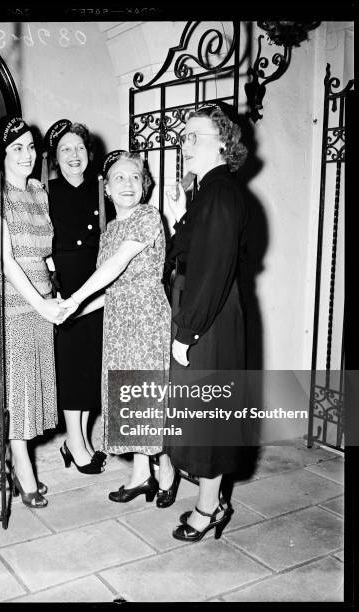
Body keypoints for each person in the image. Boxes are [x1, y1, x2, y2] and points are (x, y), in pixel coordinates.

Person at [61, 151, 178, 507]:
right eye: (119, 178)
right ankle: (142, 474)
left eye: (135, 177)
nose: (128, 184)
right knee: (130, 394)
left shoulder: (147, 216)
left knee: (149, 392)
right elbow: (111, 288)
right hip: (117, 319)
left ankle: (167, 470)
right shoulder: (110, 228)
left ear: (145, 186)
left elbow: (117, 265)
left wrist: (76, 297)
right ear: (107, 189)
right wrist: (75, 311)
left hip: (145, 317)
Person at [164, 103, 248, 541]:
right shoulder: (209, 191)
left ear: (223, 142)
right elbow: (189, 250)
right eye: (184, 138)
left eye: (194, 136)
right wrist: (181, 211)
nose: (185, 145)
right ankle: (212, 498)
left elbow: (212, 269)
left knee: (207, 414)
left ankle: (209, 507)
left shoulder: (219, 192)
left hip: (207, 316)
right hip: (204, 307)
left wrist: (188, 331)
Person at [0, 116, 65, 508]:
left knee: (31, 385)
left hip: (40, 297)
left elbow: (44, 254)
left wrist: (56, 290)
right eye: (17, 148)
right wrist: (41, 302)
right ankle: (23, 469)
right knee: (15, 386)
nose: (27, 155)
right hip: (7, 301)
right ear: (0, 152)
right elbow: (6, 259)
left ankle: (19, 458)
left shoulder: (38, 192)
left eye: (31, 147)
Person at [43, 119, 107, 474]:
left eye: (80, 148)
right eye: (66, 149)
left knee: (89, 366)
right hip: (64, 287)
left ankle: (77, 439)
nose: (74, 155)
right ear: (55, 156)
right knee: (70, 365)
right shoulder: (45, 191)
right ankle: (76, 443)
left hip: (96, 285)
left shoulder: (100, 188)